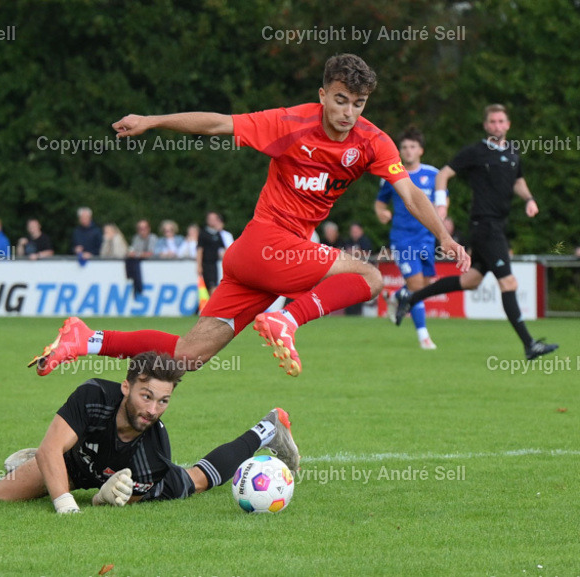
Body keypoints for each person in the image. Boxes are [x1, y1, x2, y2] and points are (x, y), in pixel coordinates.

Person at [29, 54, 468, 378]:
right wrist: (154, 120)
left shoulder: (373, 142)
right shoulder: (289, 122)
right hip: (267, 246)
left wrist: (444, 237)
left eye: (359, 103)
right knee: (370, 278)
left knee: (186, 357)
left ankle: (86, 339)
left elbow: (408, 192)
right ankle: (286, 319)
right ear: (322, 95)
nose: (348, 112)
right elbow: (219, 124)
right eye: (340, 100)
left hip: (259, 262)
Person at [0, 352, 299, 513]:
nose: (153, 410)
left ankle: (268, 428)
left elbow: (125, 501)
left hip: (125, 474)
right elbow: (51, 454)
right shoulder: (93, 396)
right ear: (126, 387)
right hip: (79, 462)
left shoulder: (155, 452)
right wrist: (66, 505)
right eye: (146, 396)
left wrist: (103, 498)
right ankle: (50, 459)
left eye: (163, 401)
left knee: (197, 480)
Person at [394, 104, 558, 360]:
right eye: (492, 121)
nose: (497, 125)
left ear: (508, 124)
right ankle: (529, 344)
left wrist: (529, 199)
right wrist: (440, 204)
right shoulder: (475, 152)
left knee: (470, 281)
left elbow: (518, 180)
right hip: (485, 226)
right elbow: (443, 175)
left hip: (497, 226)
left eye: (501, 121)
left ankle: (412, 297)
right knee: (509, 282)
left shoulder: (513, 152)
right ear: (485, 125)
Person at [376, 127, 443, 349]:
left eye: (412, 146)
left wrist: (441, 213)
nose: (408, 151)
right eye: (404, 147)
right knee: (416, 287)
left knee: (425, 284)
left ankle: (395, 297)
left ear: (421, 150)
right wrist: (382, 212)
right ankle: (424, 336)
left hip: (426, 237)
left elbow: (442, 200)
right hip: (402, 239)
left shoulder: (434, 174)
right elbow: (380, 202)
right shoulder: (392, 175)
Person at [196, 212, 225, 295]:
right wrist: (199, 265)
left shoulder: (217, 234)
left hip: (214, 264)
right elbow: (199, 250)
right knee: (211, 287)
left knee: (213, 286)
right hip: (206, 264)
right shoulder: (203, 234)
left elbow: (223, 248)